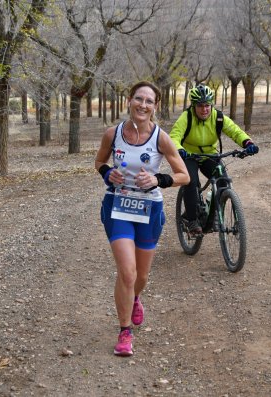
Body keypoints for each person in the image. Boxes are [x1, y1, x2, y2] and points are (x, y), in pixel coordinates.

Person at [95, 81, 190, 357]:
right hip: (118, 206)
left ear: (155, 106)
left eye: (149, 101)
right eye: (139, 99)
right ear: (129, 100)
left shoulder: (161, 137)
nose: (143, 105)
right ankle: (125, 332)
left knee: (142, 276)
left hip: (149, 210)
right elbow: (99, 162)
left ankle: (136, 298)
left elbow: (184, 175)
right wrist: (106, 174)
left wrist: (157, 179)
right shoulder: (113, 134)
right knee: (127, 272)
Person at [169, 83, 259, 235]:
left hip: (209, 155)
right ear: (194, 106)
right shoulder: (187, 116)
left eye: (207, 105)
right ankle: (192, 220)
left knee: (223, 180)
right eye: (200, 106)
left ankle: (216, 215)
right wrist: (180, 149)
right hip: (189, 155)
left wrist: (247, 143)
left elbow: (235, 131)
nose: (205, 109)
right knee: (191, 182)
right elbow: (174, 136)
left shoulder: (218, 117)